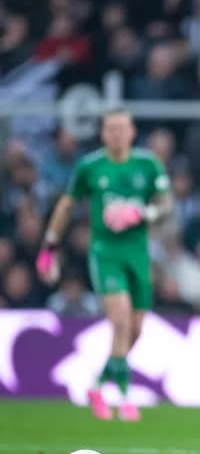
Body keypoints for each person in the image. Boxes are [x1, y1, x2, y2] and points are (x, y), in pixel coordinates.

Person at [37, 109, 172, 421]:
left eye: (121, 128)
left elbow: (166, 204)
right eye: (110, 129)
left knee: (135, 329)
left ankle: (98, 384)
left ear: (132, 132)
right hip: (105, 252)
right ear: (102, 134)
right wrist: (50, 244)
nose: (115, 134)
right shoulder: (90, 167)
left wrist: (142, 214)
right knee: (121, 319)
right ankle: (124, 397)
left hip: (138, 254)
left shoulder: (148, 164)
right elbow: (67, 204)